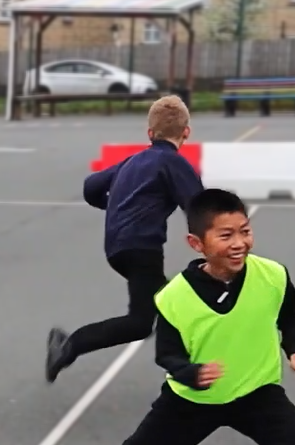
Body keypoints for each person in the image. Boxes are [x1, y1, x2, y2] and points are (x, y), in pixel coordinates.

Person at [17, 189, 295, 445]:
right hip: (190, 402)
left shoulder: (273, 275)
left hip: (256, 393)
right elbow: (168, 355)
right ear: (197, 243)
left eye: (244, 231)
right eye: (225, 235)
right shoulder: (175, 297)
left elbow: (290, 320)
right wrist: (192, 373)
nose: (240, 243)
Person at [46, 95, 204, 382]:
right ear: (186, 133)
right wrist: (210, 243)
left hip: (117, 248)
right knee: (142, 322)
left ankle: (182, 365)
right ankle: (69, 345)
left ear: (149, 133)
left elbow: (90, 187)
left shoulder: (132, 161)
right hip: (142, 247)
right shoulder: (174, 163)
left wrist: (116, 207)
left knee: (169, 302)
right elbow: (199, 206)